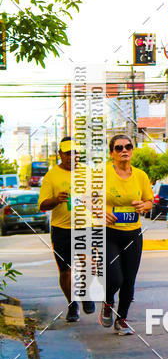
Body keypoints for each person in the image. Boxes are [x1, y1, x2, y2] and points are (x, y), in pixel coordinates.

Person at [100, 134, 153, 334]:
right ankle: (107, 302)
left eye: (128, 147)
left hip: (133, 233)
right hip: (109, 232)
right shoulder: (102, 173)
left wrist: (143, 206)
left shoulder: (141, 176)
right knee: (115, 278)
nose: (124, 150)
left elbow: (149, 201)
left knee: (129, 279)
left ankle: (121, 319)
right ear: (111, 153)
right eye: (119, 147)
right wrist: (99, 211)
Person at [38, 137, 95, 323]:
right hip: (61, 229)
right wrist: (57, 199)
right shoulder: (51, 176)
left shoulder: (88, 173)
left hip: (84, 226)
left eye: (75, 152)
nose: (72, 156)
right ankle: (72, 304)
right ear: (60, 154)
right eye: (68, 152)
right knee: (66, 271)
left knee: (88, 263)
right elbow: (42, 205)